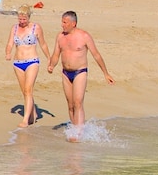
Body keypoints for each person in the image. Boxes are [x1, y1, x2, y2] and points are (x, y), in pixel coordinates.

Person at [47, 10, 115, 140]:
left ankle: (78, 133)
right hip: (66, 73)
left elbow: (96, 55)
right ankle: (74, 128)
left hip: (80, 72)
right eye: (62, 22)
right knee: (70, 104)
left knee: (78, 102)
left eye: (65, 22)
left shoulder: (84, 36)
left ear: (73, 23)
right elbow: (56, 54)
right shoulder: (60, 37)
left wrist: (106, 74)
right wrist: (52, 65)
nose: (62, 25)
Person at [5, 5, 51, 128]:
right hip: (18, 63)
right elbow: (9, 43)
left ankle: (25, 120)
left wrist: (49, 58)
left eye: (24, 19)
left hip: (32, 61)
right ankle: (33, 114)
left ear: (28, 17)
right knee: (24, 91)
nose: (22, 22)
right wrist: (8, 52)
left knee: (28, 89)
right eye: (20, 19)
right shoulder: (14, 28)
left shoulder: (36, 28)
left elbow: (43, 44)